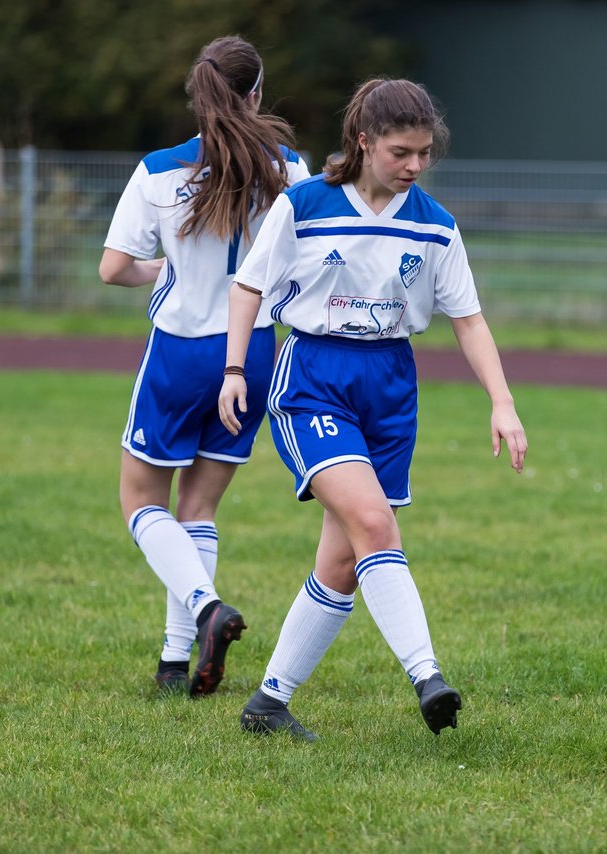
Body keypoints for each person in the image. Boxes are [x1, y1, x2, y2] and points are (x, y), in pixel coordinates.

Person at [217, 78, 528, 739]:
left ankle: (268, 703)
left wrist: (502, 403)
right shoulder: (305, 205)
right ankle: (427, 675)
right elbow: (248, 286)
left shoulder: (435, 225)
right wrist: (236, 368)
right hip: (315, 378)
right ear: (363, 142)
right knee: (373, 522)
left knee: (344, 562)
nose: (414, 165)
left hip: (391, 386)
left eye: (423, 153)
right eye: (400, 152)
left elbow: (469, 321)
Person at [99, 36, 309, 697]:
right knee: (200, 509)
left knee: (141, 500)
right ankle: (172, 661)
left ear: (198, 95)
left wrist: (160, 268)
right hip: (251, 355)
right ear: (255, 95)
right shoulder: (292, 168)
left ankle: (202, 611)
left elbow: (112, 269)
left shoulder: (159, 169)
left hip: (180, 350)